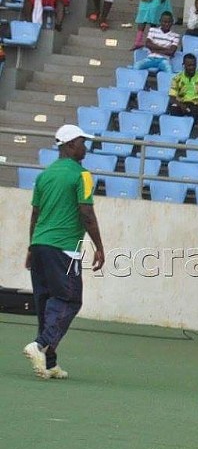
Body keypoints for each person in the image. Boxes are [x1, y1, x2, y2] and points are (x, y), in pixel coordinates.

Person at [23, 124, 105, 380]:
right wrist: (99, 247)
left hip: (40, 246)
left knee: (47, 304)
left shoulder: (44, 176)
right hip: (65, 248)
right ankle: (39, 344)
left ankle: (49, 361)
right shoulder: (82, 175)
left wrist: (31, 246)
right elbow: (86, 213)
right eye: (82, 142)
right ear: (70, 145)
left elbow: (35, 214)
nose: (86, 148)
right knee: (69, 299)